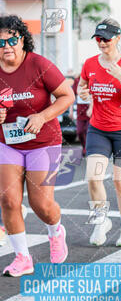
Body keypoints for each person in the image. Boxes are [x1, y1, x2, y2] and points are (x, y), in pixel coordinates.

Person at [0, 15, 74, 277]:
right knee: (9, 200)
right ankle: (22, 257)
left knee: (41, 204)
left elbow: (67, 96)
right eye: (1, 41)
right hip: (7, 143)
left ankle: (56, 231)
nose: (7, 45)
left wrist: (42, 116)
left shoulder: (39, 64)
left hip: (43, 142)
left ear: (22, 40)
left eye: (12, 39)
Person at [78, 18, 121, 247]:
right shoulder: (89, 63)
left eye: (105, 39)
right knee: (93, 177)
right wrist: (83, 93)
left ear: (117, 38)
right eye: (97, 38)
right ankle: (100, 222)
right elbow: (82, 87)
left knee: (120, 182)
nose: (101, 43)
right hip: (98, 128)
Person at [72, 71, 92, 157]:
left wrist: (91, 108)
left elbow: (94, 96)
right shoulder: (77, 81)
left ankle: (88, 149)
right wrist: (71, 111)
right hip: (80, 111)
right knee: (80, 131)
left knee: (88, 130)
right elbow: (73, 96)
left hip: (90, 111)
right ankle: (84, 146)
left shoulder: (92, 81)